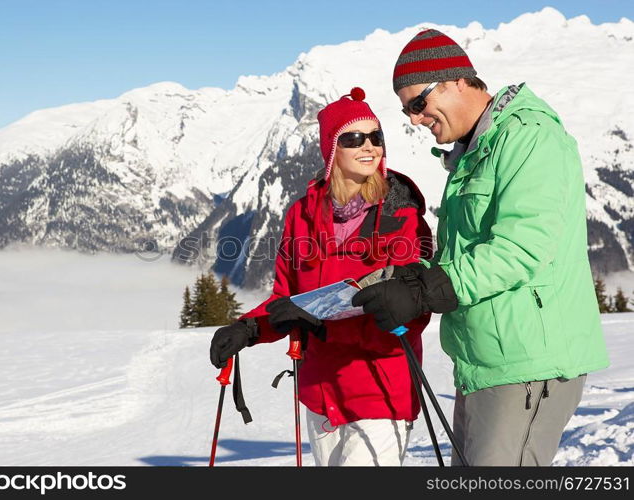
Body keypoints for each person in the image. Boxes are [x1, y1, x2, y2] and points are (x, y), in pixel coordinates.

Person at [352, 29, 610, 466]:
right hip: (484, 362)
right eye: (406, 111)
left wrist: (424, 291)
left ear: (455, 81)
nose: (414, 119)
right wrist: (409, 276)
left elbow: (520, 249)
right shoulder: (474, 150)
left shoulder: (529, 138)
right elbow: (465, 251)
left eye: (418, 103)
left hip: (528, 364)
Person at [210, 87, 434, 466]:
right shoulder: (302, 214)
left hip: (379, 391)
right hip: (320, 392)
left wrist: (325, 328)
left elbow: (412, 312)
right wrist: (249, 328)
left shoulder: (403, 218)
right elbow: (287, 297)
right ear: (332, 149)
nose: (369, 146)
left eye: (376, 137)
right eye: (353, 138)